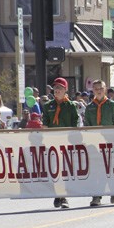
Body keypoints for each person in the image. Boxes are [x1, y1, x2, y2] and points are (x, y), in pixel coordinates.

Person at [42, 77, 79, 209]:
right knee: (55, 170)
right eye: (55, 88)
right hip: (52, 142)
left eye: (60, 88)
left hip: (66, 143)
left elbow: (75, 125)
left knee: (65, 170)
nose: (57, 90)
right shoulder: (48, 106)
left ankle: (63, 197)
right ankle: (58, 195)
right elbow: (45, 124)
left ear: (65, 90)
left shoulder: (71, 106)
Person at [84, 80, 114, 206]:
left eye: (101, 88)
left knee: (110, 168)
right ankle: (97, 196)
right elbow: (87, 126)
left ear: (105, 89)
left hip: (109, 142)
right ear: (92, 90)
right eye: (95, 89)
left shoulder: (111, 105)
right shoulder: (89, 107)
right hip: (95, 144)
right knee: (96, 170)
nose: (98, 91)